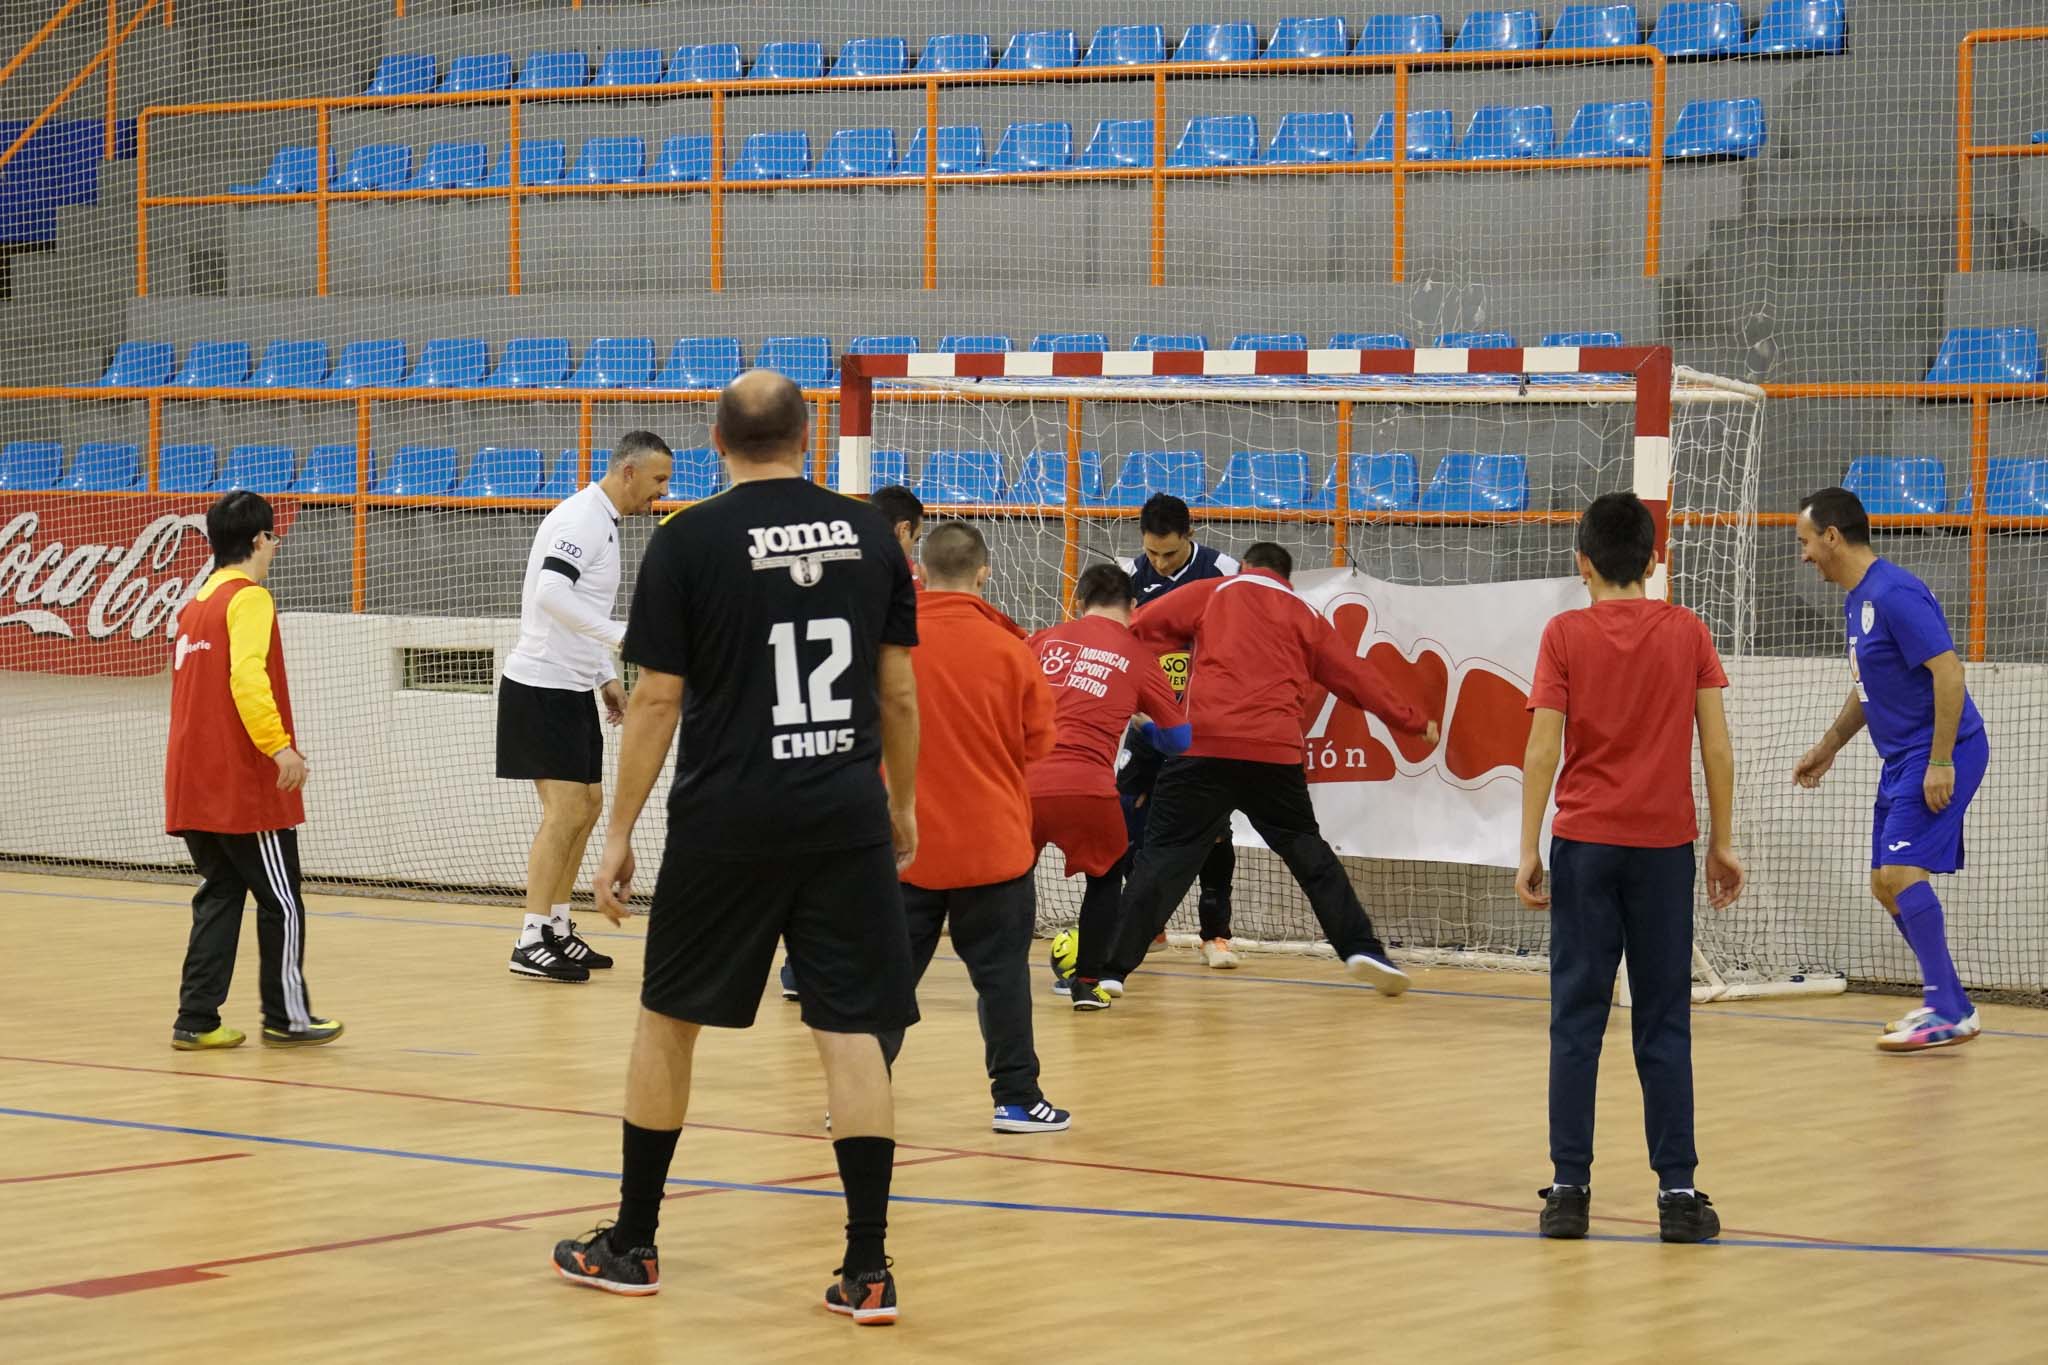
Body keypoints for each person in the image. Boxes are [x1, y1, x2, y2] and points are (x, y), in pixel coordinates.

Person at [549, 372, 921, 1325]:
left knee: (668, 1021)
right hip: (843, 815)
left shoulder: (688, 541)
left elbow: (660, 699)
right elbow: (901, 693)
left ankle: (633, 1243)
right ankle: (868, 1268)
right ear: (810, 433)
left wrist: (622, 829)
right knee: (849, 1033)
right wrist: (904, 806)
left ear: (716, 439)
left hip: (728, 821)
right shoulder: (874, 534)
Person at [1514, 492, 1743, 1246]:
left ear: (1583, 563)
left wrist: (1527, 846)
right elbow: (1714, 744)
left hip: (1585, 846)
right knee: (1663, 1022)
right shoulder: (1687, 631)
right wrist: (1722, 839)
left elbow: (1543, 746)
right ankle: (1677, 1192)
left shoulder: (1564, 635)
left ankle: (1569, 1192)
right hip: (1662, 849)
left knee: (1576, 1020)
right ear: (1653, 558)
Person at [1102, 542, 1437, 997]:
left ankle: (1110, 971)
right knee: (1310, 854)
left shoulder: (1213, 591)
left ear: (1244, 567)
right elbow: (1357, 679)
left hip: (1204, 747)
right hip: (1274, 755)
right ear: (1287, 578)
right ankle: (1364, 950)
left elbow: (1140, 627)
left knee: (1162, 861)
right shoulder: (1304, 614)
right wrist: (1412, 721)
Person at [881, 520, 1068, 1131]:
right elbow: (1039, 746)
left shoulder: (887, 642)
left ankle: (855, 1097)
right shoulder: (1013, 650)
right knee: (1002, 978)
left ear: (922, 571)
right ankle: (1015, 1098)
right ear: (984, 573)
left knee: (883, 979)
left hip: (903, 845)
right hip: (992, 844)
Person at [1791, 486, 1988, 1053]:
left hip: (1939, 754)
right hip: (1904, 758)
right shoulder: (1859, 597)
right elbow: (1868, 689)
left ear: (1832, 536)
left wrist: (1941, 760)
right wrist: (1828, 746)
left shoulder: (1895, 593)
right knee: (1886, 884)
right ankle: (1952, 1003)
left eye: (1806, 542)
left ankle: (1947, 1010)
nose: (1803, 556)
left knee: (1903, 876)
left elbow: (1950, 675)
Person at [164, 491, 341, 1049]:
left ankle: (196, 1019)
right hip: (239, 782)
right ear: (261, 539)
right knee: (282, 901)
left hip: (192, 780)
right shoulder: (248, 599)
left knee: (219, 894)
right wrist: (279, 746)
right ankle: (287, 1016)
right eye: (273, 537)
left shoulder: (194, 606)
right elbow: (247, 679)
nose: (275, 545)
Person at [497, 431, 674, 983]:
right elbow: (551, 593)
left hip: (572, 684)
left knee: (590, 805)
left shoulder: (606, 524)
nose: (661, 493)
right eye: (658, 480)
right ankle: (530, 938)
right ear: (628, 471)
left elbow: (581, 605)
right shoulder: (581, 519)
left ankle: (555, 925)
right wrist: (624, 639)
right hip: (540, 685)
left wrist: (604, 677)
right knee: (567, 810)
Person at [781, 483, 924, 1004]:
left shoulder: (815, 566)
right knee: (862, 864)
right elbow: (901, 688)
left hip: (802, 736)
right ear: (905, 530)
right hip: (861, 738)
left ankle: (800, 967)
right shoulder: (897, 576)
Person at [1029, 563, 1190, 1012]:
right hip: (1088, 787)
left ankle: (1002, 972)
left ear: (1078, 602)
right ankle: (1087, 984)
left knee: (1013, 877)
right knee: (1106, 875)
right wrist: (1140, 724)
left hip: (1024, 782)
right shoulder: (1138, 656)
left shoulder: (1041, 640)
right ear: (1134, 607)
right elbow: (1180, 740)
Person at [1121, 493, 1241, 968]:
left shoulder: (1224, 572)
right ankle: (1148, 925)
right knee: (1127, 820)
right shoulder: (1127, 577)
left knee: (1213, 830)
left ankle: (1216, 934)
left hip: (1203, 726)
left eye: (1169, 553)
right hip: (1145, 722)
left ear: (1190, 535)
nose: (1159, 561)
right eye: (1151, 552)